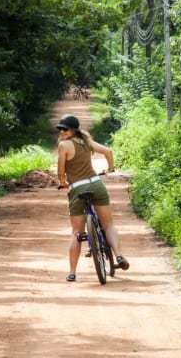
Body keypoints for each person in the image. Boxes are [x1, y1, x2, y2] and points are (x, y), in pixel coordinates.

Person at [55, 114, 129, 282]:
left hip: (77, 188)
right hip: (96, 184)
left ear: (73, 130)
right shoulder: (87, 142)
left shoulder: (64, 145)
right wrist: (110, 168)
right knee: (108, 224)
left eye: (64, 129)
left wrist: (62, 182)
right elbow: (108, 151)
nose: (61, 132)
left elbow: (61, 172)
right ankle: (118, 255)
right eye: (60, 129)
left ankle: (72, 272)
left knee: (76, 233)